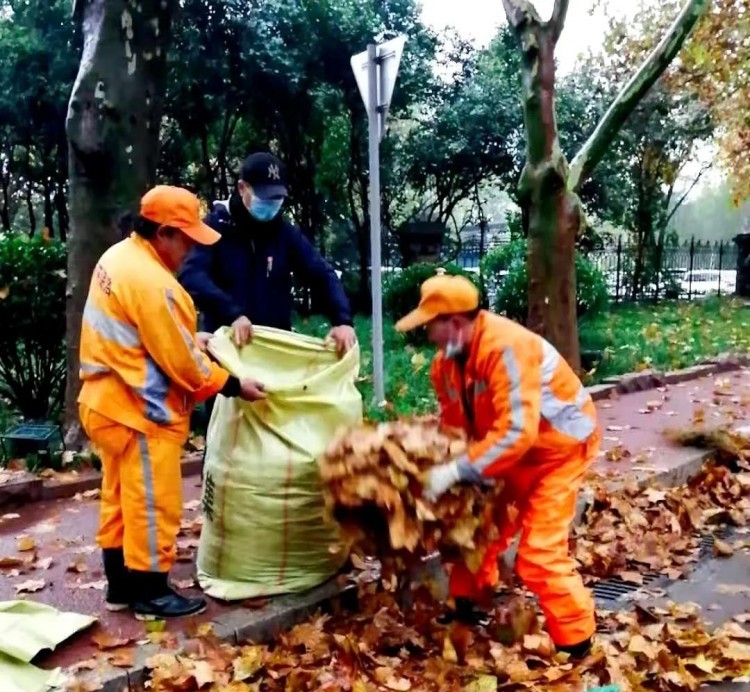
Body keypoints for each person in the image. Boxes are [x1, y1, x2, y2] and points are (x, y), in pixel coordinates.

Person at [78, 185, 266, 621]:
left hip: (105, 402)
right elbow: (183, 365)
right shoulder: (157, 284)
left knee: (121, 498)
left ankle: (121, 588)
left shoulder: (119, 258)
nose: (191, 251)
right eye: (186, 239)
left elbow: (148, 336)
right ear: (162, 232)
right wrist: (233, 384)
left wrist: (192, 339)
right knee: (152, 504)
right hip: (141, 411)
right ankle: (151, 594)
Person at [395, 274, 601, 659]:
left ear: (454, 323)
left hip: (558, 451)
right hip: (509, 455)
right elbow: (456, 428)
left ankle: (578, 646)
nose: (427, 336)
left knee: (539, 554)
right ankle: (465, 607)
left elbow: (517, 433)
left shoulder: (507, 347)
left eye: (429, 326)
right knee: (475, 531)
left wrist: (457, 472)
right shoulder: (446, 365)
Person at [179, 149, 357, 367]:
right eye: (264, 198)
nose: (271, 205)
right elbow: (191, 276)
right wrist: (233, 313)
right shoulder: (216, 228)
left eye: (277, 199)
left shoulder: (284, 233)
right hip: (226, 351)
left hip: (272, 351)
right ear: (242, 188)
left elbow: (321, 274)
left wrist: (342, 320)